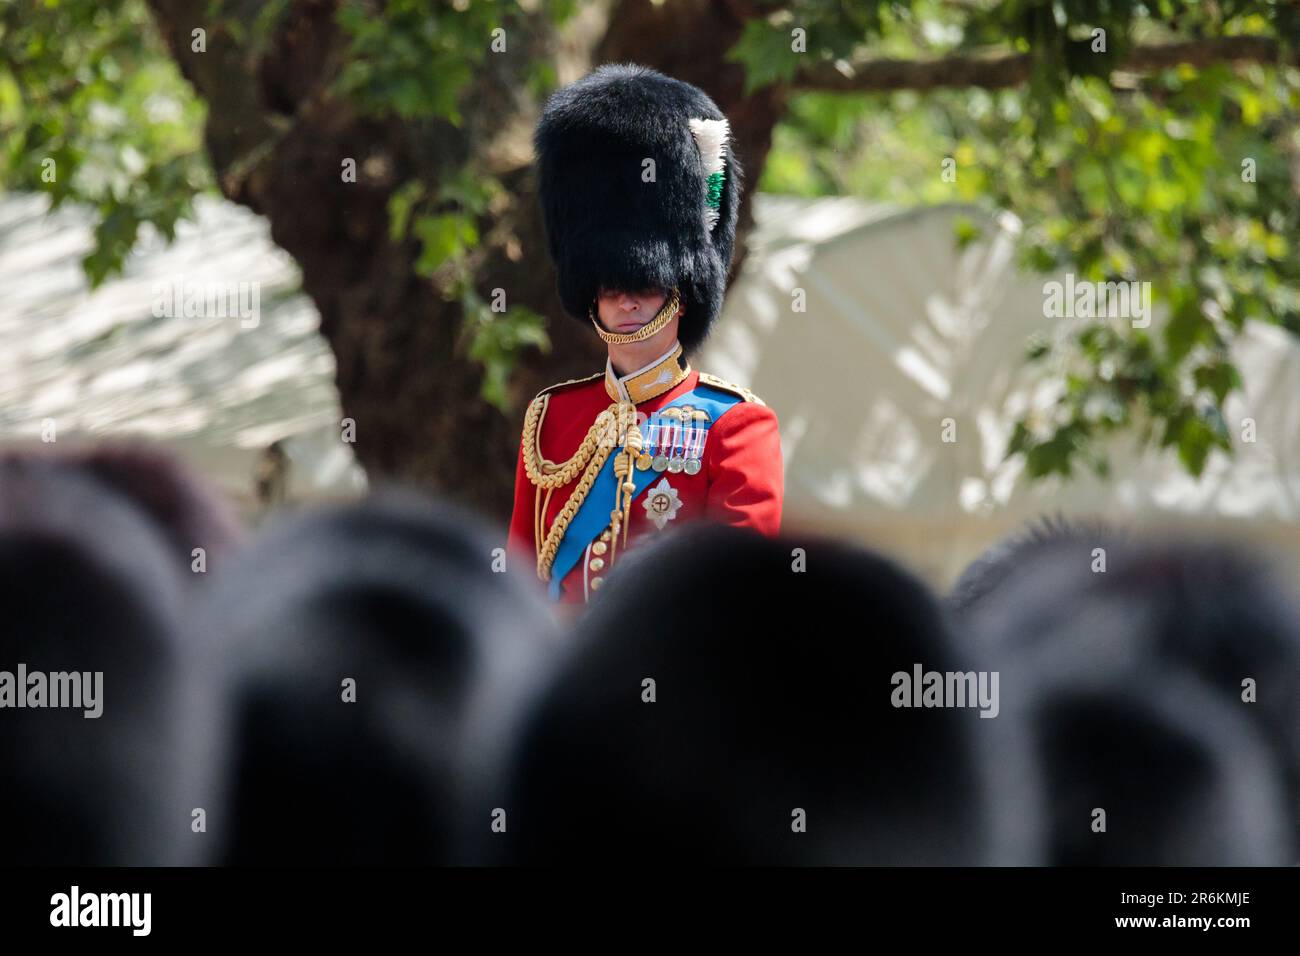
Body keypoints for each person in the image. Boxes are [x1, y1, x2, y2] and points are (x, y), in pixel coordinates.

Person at [507, 64, 783, 605]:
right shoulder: (551, 418)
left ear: (681, 289)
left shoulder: (734, 426)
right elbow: (519, 582)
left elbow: (741, 599)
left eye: (646, 282)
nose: (626, 299)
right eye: (610, 285)